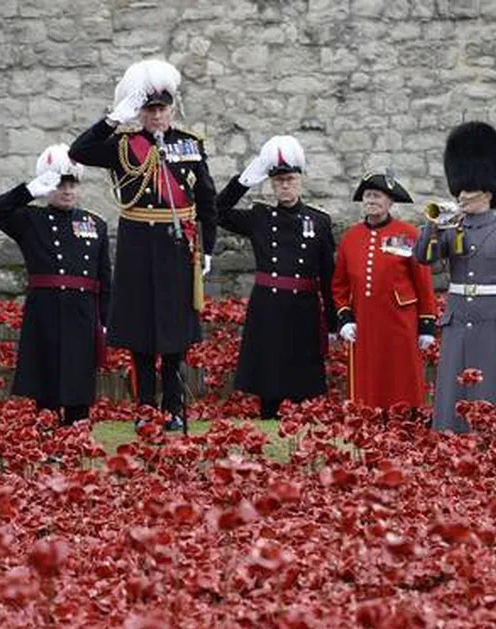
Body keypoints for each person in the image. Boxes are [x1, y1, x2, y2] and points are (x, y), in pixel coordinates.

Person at [69, 59, 216, 431]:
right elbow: (80, 151)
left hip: (178, 248)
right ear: (141, 112)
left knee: (175, 334)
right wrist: (113, 119)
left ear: (171, 110)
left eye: (162, 109)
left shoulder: (189, 144)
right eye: (150, 110)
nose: (157, 116)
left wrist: (209, 249)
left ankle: (174, 407)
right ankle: (145, 408)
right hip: (138, 248)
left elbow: (207, 200)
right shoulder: (123, 144)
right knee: (141, 334)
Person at [415, 121, 496, 433]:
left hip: (492, 325)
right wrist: (432, 224)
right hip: (457, 322)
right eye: (461, 189)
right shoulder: (451, 229)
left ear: (488, 192)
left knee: (490, 389)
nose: (462, 195)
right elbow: (423, 257)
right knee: (453, 391)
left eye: (469, 190)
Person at [0, 144, 111, 425]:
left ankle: (77, 432)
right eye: (60, 184)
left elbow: (104, 278)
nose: (67, 191)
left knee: (79, 379)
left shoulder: (95, 223)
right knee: (47, 377)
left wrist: (105, 319)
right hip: (46, 310)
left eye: (72, 184)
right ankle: (47, 430)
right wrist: (29, 191)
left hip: (82, 311)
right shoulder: (30, 219)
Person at [216, 135, 337, 419]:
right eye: (279, 181)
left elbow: (328, 276)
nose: (285, 186)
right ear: (271, 184)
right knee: (268, 365)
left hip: (303, 305)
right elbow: (217, 212)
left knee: (301, 368)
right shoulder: (260, 217)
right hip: (268, 304)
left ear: (300, 181)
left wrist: (333, 321)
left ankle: (300, 416)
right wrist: (243, 181)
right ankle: (268, 413)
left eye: (290, 179)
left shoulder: (319, 221)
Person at [331, 170, 436, 409]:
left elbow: (423, 282)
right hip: (365, 320)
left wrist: (426, 324)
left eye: (377, 196)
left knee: (401, 372)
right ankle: (368, 415)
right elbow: (339, 285)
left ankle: (405, 417)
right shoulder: (350, 237)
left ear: (390, 202)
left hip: (400, 320)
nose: (371, 201)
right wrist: (345, 317)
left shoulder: (408, 234)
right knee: (368, 372)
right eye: (367, 196)